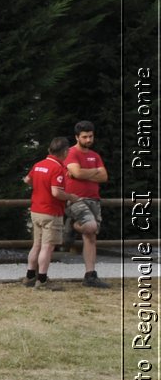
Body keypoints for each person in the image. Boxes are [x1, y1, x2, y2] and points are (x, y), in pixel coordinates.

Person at [64, 121, 110, 288]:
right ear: (77, 137)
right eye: (85, 137)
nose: (88, 139)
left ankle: (90, 275)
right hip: (76, 199)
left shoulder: (95, 155)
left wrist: (83, 174)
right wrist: (93, 172)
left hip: (94, 199)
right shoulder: (71, 153)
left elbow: (104, 177)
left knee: (91, 237)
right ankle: (74, 224)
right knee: (89, 227)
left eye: (91, 136)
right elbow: (76, 172)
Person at [25, 137, 71, 291]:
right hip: (51, 212)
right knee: (47, 247)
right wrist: (71, 196)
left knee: (36, 245)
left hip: (36, 210)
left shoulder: (38, 165)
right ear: (65, 152)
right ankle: (42, 280)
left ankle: (30, 276)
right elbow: (56, 192)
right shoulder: (57, 168)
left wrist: (39, 186)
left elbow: (27, 180)